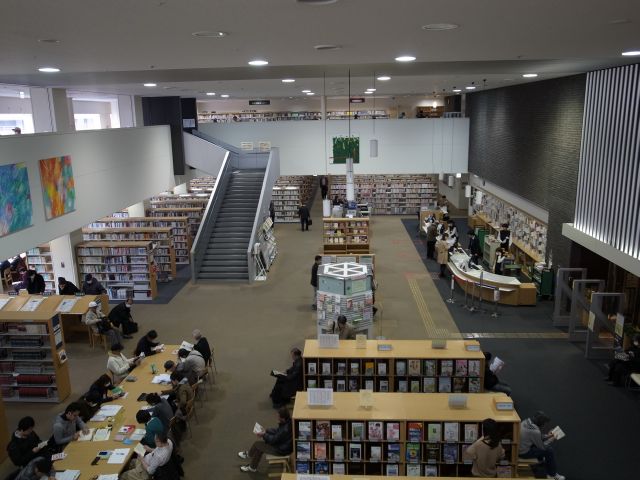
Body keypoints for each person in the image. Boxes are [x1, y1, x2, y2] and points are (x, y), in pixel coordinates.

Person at [238, 407, 293, 473]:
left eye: (278, 416)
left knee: (258, 446)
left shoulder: (285, 429)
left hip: (281, 450)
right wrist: (266, 430)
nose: (277, 417)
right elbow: (278, 432)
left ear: (283, 418)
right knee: (259, 446)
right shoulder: (288, 422)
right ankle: (251, 461)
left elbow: (273, 440)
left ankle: (251, 462)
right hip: (283, 446)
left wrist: (263, 435)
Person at [519, 411, 565, 480]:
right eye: (544, 424)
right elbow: (542, 447)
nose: (544, 425)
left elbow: (535, 437)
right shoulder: (535, 431)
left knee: (543, 451)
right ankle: (552, 474)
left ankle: (542, 468)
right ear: (540, 423)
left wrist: (548, 436)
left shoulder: (526, 421)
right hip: (523, 453)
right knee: (549, 450)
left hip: (520, 447)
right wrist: (552, 439)